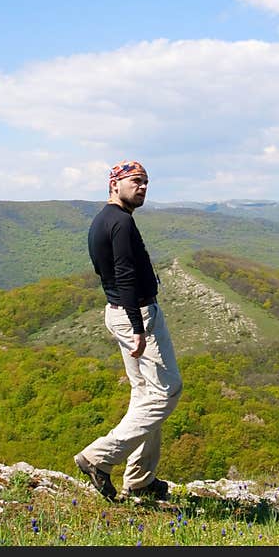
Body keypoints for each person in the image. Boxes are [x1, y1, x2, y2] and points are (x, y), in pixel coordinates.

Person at [74, 160, 182, 501]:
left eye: (146, 182)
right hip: (137, 315)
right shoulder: (120, 223)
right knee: (167, 392)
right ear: (114, 184)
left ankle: (139, 480)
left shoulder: (103, 220)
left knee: (145, 395)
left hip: (118, 311)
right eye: (136, 181)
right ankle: (99, 457)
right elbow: (123, 273)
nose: (143, 187)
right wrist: (138, 326)